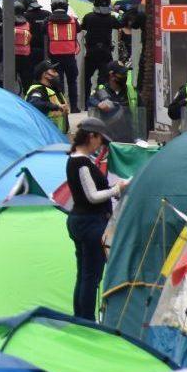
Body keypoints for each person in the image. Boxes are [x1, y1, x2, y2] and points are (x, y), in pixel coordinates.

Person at [65, 119, 125, 319]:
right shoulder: (82, 163)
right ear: (92, 136)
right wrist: (117, 189)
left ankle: (80, 318)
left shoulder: (75, 159)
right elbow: (92, 196)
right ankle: (87, 320)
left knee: (83, 275)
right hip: (89, 223)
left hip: (79, 220)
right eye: (100, 139)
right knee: (91, 276)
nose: (100, 144)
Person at [23, 60, 69, 133]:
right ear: (45, 74)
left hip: (57, 134)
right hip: (45, 134)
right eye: (53, 71)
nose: (57, 74)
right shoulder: (37, 90)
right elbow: (34, 103)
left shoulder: (54, 89)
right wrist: (56, 106)